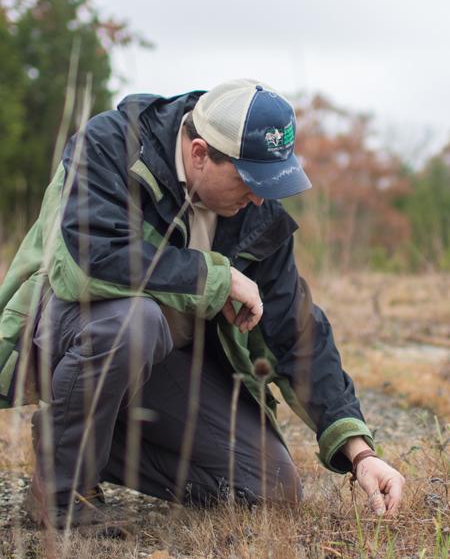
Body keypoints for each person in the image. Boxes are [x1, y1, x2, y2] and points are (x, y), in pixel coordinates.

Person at [0, 79, 404, 529]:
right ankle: (61, 492)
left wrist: (359, 452)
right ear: (198, 153)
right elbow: (85, 262)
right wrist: (216, 278)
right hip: (71, 331)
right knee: (136, 322)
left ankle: (92, 439)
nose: (259, 196)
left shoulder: (256, 207)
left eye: (270, 182)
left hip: (163, 366)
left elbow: (296, 327)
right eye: (249, 180)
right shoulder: (109, 144)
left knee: (272, 488)